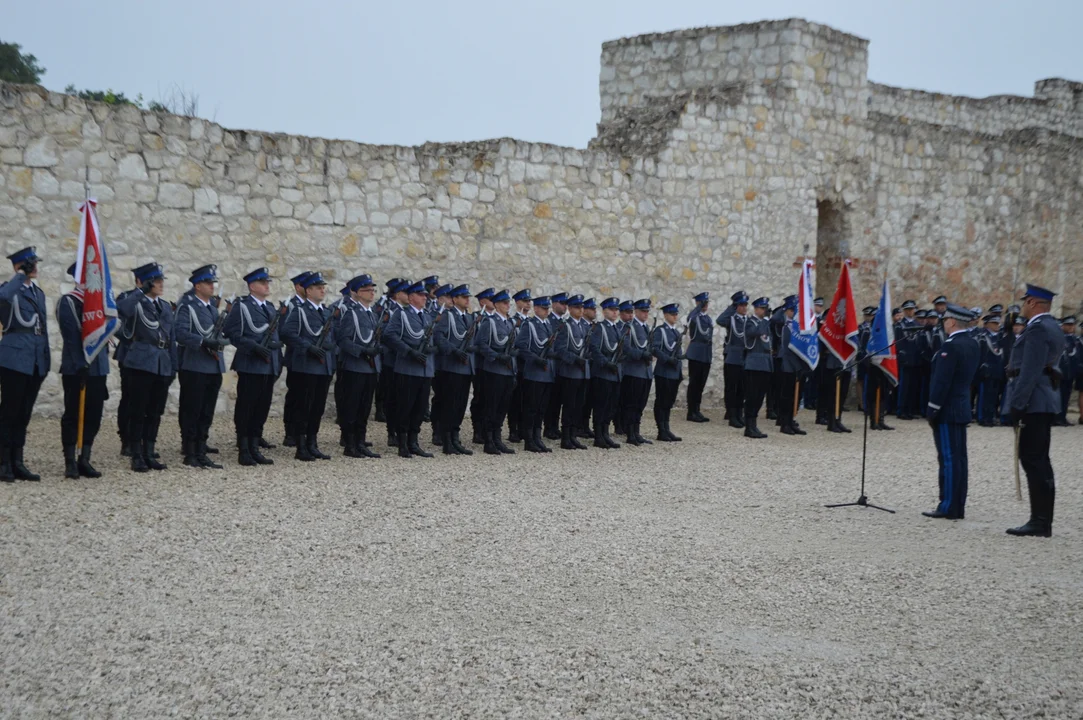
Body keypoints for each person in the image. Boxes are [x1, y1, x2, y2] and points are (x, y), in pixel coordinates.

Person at [1004, 284, 1065, 538]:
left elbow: (1029, 371)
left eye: (1025, 302)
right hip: (1044, 398)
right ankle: (1042, 519)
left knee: (1032, 459)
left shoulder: (1038, 329)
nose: (1023, 307)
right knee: (1040, 460)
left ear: (1032, 303)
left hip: (1033, 401)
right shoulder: (1053, 326)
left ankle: (1039, 521)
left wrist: (1017, 405)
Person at [922, 304, 980, 520]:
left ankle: (948, 506)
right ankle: (957, 504)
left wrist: (932, 408)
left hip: (948, 409)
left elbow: (942, 381)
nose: (944, 323)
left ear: (952, 322)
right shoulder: (973, 344)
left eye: (945, 320)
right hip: (961, 406)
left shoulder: (951, 346)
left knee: (949, 459)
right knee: (959, 459)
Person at [116, 262, 176, 472]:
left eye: (160, 280)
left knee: (155, 411)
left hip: (162, 361)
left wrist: (173, 366)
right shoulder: (133, 301)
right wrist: (141, 290)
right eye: (155, 281)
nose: (160, 284)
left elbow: (171, 337)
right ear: (143, 282)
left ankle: (149, 451)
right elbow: (121, 310)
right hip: (140, 361)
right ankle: (136, 453)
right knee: (138, 409)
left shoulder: (165, 306)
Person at [223, 267, 282, 467]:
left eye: (267, 282)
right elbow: (231, 333)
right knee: (247, 406)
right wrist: (253, 346)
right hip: (250, 363)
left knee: (262, 406)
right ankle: (244, 447)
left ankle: (255, 445)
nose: (267, 286)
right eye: (263, 282)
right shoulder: (242, 306)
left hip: (269, 364)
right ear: (252, 286)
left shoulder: (271, 308)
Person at [0, 247, 50, 481]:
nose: (35, 267)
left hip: (35, 360)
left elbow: (43, 328)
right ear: (21, 265)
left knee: (24, 414)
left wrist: (46, 359)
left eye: (35, 264)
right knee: (9, 412)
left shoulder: (37, 293)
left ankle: (18, 460)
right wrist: (20, 275)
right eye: (31, 264)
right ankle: (3, 462)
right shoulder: (10, 289)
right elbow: (3, 298)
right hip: (14, 359)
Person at [56, 263, 109, 479]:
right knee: (72, 413)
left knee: (94, 413)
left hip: (98, 367)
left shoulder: (100, 303)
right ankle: (70, 460)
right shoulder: (69, 301)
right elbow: (71, 335)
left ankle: (84, 457)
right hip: (76, 367)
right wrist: (80, 364)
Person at [174, 265, 229, 469]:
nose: (211, 286)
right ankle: (190, 451)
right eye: (207, 283)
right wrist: (203, 342)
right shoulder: (187, 306)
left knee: (206, 410)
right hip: (195, 364)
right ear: (197, 286)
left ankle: (201, 447)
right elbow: (179, 333)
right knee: (192, 409)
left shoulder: (211, 308)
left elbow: (217, 332)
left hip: (213, 365)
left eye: (212, 283)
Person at [281, 271, 335, 461]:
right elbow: (287, 333)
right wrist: (308, 347)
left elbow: (332, 336)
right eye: (318, 288)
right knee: (304, 406)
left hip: (324, 366)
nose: (322, 291)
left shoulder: (326, 312)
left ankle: (313, 443)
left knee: (317, 407)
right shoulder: (300, 310)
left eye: (323, 288)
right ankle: (301, 445)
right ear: (308, 290)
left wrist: (331, 347)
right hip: (307, 365)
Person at [383, 280, 437, 458]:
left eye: (425, 296)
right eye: (421, 295)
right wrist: (409, 351)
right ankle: (403, 442)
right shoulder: (401, 314)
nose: (424, 298)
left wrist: (431, 348)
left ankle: (414, 441)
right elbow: (389, 335)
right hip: (408, 367)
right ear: (412, 297)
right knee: (405, 406)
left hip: (425, 368)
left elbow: (430, 338)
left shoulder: (427, 316)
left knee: (420, 407)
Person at [334, 274, 382, 459]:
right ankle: (350, 443)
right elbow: (343, 340)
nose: (371, 293)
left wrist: (377, 349)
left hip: (370, 367)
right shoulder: (351, 313)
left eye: (372, 290)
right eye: (366, 290)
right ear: (355, 292)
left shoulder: (372, 314)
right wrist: (361, 351)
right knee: (351, 406)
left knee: (364, 407)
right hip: (354, 366)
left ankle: (361, 442)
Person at [473, 290, 518, 454]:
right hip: (493, 370)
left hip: (507, 371)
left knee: (502, 407)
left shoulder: (510, 323)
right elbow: (481, 344)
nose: (508, 306)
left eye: (508, 303)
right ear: (497, 304)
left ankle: (498, 438)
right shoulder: (489, 322)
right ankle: (489, 440)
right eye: (505, 303)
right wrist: (496, 356)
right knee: (491, 406)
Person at [434, 284, 476, 455]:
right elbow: (438, 336)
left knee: (460, 405)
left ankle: (455, 437)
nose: (467, 300)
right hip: (451, 367)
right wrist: (453, 350)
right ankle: (447, 440)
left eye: (468, 297)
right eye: (463, 297)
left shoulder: (469, 318)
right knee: (449, 405)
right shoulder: (447, 316)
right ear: (455, 299)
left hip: (465, 368)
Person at [514, 296, 557, 453]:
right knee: (531, 407)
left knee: (541, 408)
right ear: (536, 309)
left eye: (548, 309)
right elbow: (521, 346)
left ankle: (537, 437)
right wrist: (536, 359)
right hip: (534, 372)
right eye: (544, 308)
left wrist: (551, 355)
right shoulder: (529, 325)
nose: (546, 311)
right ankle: (529, 439)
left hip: (547, 373)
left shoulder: (548, 325)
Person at [552, 294, 590, 450]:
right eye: (576, 307)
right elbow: (559, 349)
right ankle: (566, 437)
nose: (580, 310)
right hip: (569, 372)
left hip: (582, 372)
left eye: (581, 307)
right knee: (568, 406)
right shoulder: (565, 326)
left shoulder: (584, 326)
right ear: (569, 308)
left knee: (578, 406)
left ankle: (573, 435)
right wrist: (575, 359)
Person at [281, 271, 312, 447]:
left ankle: (303, 430)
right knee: (295, 395)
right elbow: (286, 332)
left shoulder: (311, 306)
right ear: (299, 287)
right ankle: (290, 431)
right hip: (295, 357)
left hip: (311, 359)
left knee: (307, 397)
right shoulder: (291, 305)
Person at [588, 297, 623, 449]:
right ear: (605, 311)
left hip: (614, 373)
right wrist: (606, 363)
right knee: (601, 406)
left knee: (611, 406)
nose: (615, 313)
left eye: (617, 310)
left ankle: (605, 433)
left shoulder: (617, 328)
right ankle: (598, 436)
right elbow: (594, 349)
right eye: (612, 310)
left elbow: (622, 349)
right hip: (603, 373)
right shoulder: (599, 328)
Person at [621, 298, 654, 446]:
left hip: (645, 371)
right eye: (643, 311)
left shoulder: (646, 328)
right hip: (633, 371)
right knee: (632, 404)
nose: (645, 314)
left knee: (640, 404)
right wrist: (641, 355)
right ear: (636, 312)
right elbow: (626, 348)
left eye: (647, 311)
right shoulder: (629, 327)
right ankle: (630, 433)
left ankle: (637, 431)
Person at [742, 297, 774, 439]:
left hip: (765, 362)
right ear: (756, 309)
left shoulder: (764, 323)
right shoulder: (751, 322)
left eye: (765, 309)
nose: (764, 311)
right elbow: (755, 333)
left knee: (760, 396)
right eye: (762, 308)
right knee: (752, 395)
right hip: (754, 362)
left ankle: (754, 424)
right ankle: (749, 426)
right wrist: (766, 320)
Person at [716, 291, 749, 428]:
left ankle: (739, 413)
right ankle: (731, 414)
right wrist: (732, 307)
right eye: (741, 305)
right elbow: (720, 320)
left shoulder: (748, 320)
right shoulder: (731, 319)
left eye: (745, 304)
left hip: (744, 357)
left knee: (742, 388)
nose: (744, 307)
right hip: (732, 357)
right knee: (732, 387)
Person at [651, 302, 683, 442]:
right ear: (665, 315)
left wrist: (679, 371)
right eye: (672, 314)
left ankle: (667, 428)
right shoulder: (660, 331)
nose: (675, 316)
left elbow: (678, 353)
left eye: (676, 314)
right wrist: (667, 359)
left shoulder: (676, 332)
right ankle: (661, 430)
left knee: (669, 402)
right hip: (664, 371)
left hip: (674, 372)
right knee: (662, 401)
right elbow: (655, 349)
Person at [777, 297, 807, 435]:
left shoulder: (797, 326)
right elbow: (788, 349)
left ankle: (791, 420)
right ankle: (784, 423)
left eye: (795, 310)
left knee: (796, 396)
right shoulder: (785, 326)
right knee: (786, 396)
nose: (794, 312)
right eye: (791, 310)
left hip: (797, 366)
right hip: (788, 365)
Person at [469, 287, 495, 444]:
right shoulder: (476, 318)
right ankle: (477, 430)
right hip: (479, 364)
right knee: (479, 398)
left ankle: (489, 430)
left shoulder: (500, 319)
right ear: (483, 301)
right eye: (491, 299)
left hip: (493, 365)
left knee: (491, 399)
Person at [543, 292, 570, 440]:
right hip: (553, 364)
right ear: (554, 304)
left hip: (562, 365)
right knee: (551, 400)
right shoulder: (550, 321)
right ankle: (549, 427)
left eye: (566, 303)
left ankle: (554, 426)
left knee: (559, 398)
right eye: (562, 303)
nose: (564, 306)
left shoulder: (563, 322)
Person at [507, 289, 532, 443]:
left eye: (529, 301)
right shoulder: (512, 321)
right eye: (524, 301)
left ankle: (524, 428)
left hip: (529, 365)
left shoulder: (531, 322)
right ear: (517, 303)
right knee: (515, 400)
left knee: (527, 399)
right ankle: (513, 429)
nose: (528, 304)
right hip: (517, 365)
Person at [685, 292, 713, 422]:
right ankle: (691, 412)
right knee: (694, 383)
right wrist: (698, 307)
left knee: (701, 384)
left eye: (706, 303)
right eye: (703, 303)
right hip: (696, 353)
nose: (705, 305)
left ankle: (697, 409)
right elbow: (690, 318)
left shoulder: (707, 319)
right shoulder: (695, 317)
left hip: (705, 354)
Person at [975, 314, 1006, 426]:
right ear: (986, 324)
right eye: (994, 323)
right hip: (986, 370)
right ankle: (982, 417)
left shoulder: (999, 337)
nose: (997, 325)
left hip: (997, 370)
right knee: (984, 395)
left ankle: (990, 416)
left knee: (993, 396)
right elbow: (979, 354)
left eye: (998, 323)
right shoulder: (982, 337)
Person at [1054, 316, 1079, 427]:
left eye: (1072, 325)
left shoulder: (1074, 339)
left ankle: (1062, 416)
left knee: (1066, 396)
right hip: (1060, 371)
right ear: (1062, 326)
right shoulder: (1059, 338)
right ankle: (1056, 417)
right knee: (1058, 396)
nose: (1071, 327)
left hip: (1069, 373)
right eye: (1068, 325)